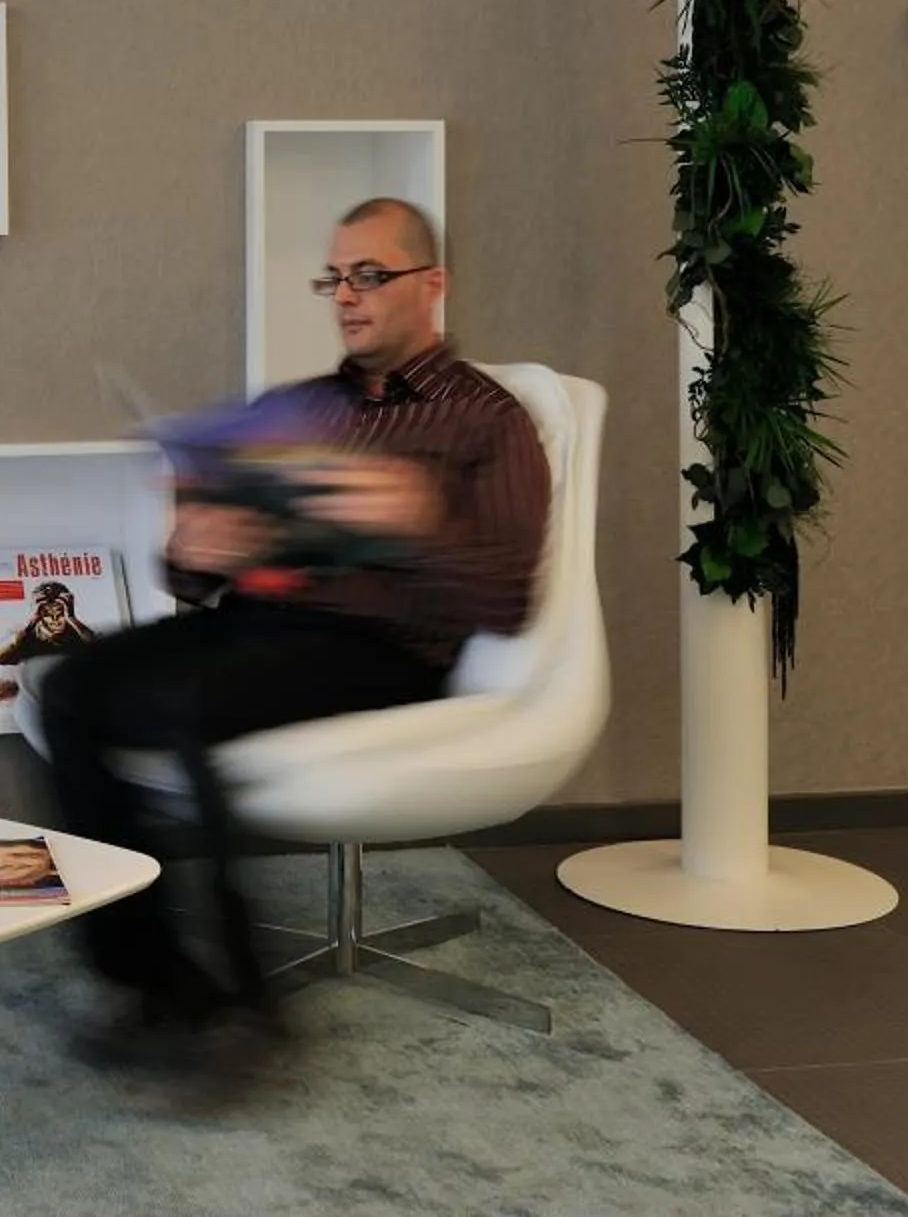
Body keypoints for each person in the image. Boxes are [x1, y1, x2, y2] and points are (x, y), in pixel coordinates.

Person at [37, 196, 549, 1077]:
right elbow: (193, 581)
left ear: (432, 283)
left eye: (370, 275)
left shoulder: (486, 420)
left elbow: (508, 599)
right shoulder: (297, 410)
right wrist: (196, 547)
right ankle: (150, 980)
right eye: (335, 278)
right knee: (67, 689)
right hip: (256, 622)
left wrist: (414, 521)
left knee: (179, 706)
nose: (347, 296)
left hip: (382, 649)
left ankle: (248, 1003)